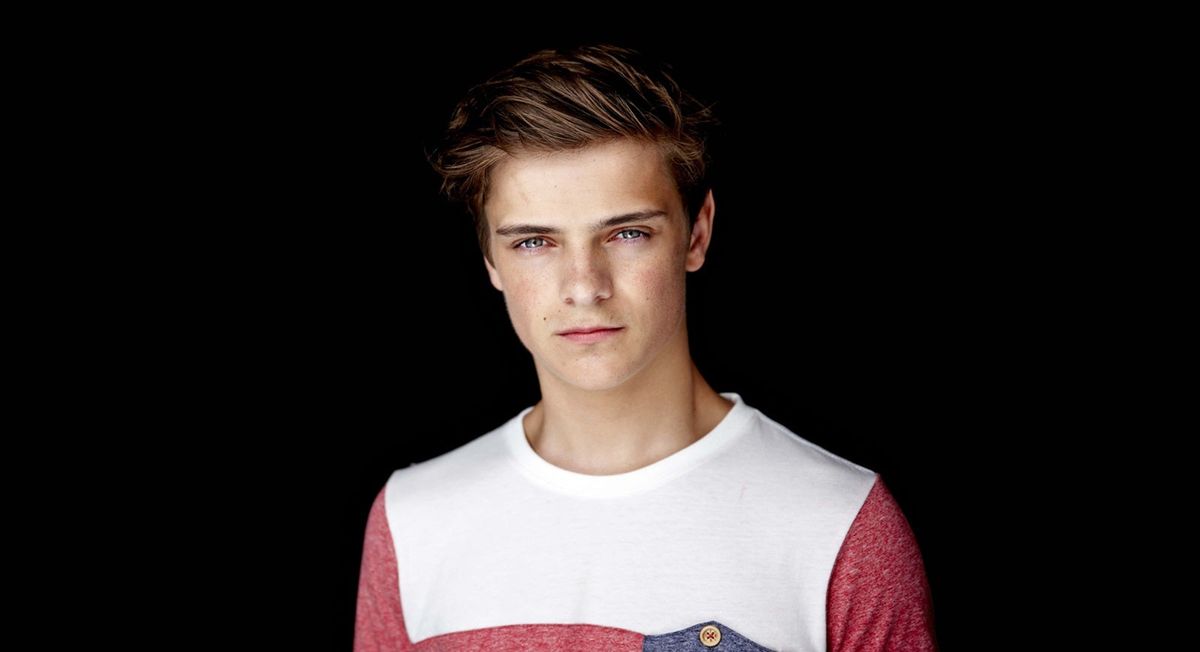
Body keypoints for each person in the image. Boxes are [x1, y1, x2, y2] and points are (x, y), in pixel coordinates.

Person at [354, 44, 936, 651]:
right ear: (490, 259)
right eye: (533, 243)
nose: (585, 287)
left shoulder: (836, 524)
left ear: (697, 233)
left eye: (627, 233)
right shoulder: (411, 520)